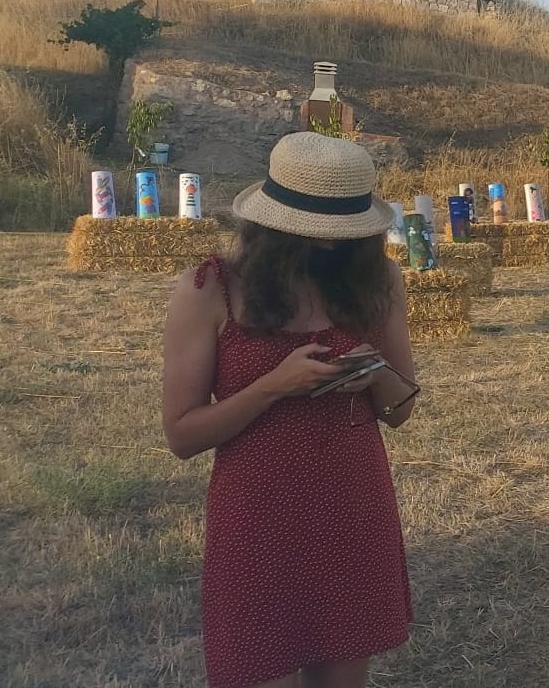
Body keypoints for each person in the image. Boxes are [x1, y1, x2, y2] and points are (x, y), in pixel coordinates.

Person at [160, 132, 419, 688]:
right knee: (253, 668)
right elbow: (181, 435)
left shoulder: (378, 280)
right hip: (257, 514)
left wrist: (373, 375)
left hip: (352, 503)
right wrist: (273, 386)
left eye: (343, 235)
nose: (330, 247)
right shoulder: (212, 289)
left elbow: (400, 409)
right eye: (317, 235)